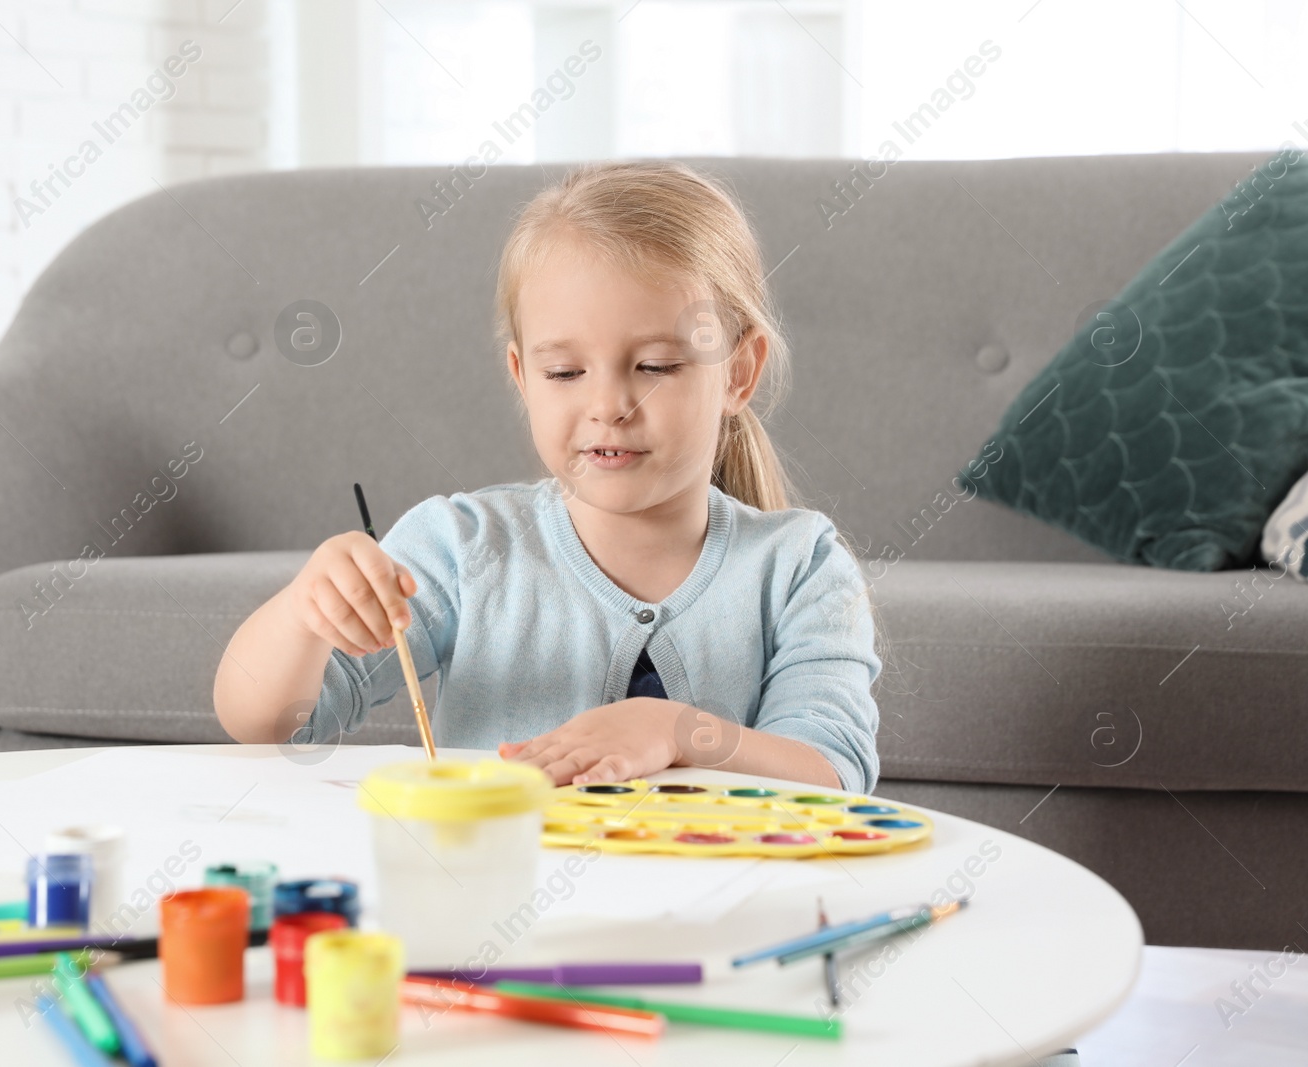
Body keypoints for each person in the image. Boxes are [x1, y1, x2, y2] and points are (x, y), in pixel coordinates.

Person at [214, 159, 881, 792]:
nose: (609, 406)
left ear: (737, 372)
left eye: (655, 367)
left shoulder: (800, 566)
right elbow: (268, 726)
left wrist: (676, 731)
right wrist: (304, 611)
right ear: (523, 378)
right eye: (565, 373)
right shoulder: (460, 548)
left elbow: (834, 776)